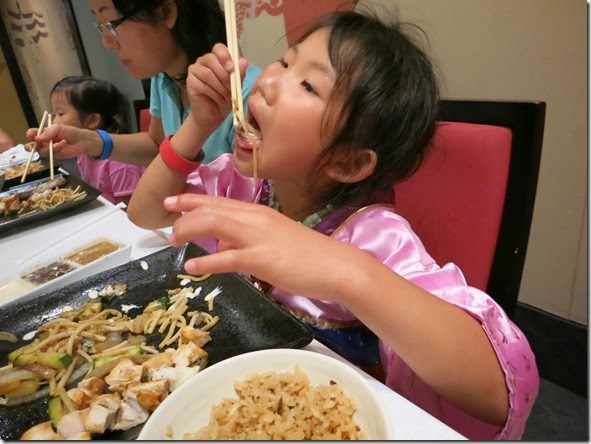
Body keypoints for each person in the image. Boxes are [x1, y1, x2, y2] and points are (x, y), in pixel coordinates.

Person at [128, 9, 537, 440]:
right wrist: (199, 123)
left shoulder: (375, 236)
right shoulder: (243, 183)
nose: (266, 81)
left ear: (347, 161)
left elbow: (500, 389)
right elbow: (147, 212)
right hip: (243, 399)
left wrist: (344, 271)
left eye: (308, 84)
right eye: (284, 61)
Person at [26, 0, 261, 168]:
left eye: (110, 23)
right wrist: (87, 140)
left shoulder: (245, 96)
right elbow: (156, 145)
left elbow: (258, 201)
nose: (106, 42)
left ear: (166, 12)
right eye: (100, 25)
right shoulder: (164, 77)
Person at [50, 75, 144, 205]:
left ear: (92, 120)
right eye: (54, 114)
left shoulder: (120, 163)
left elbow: (127, 209)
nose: (54, 122)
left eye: (60, 114)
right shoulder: (84, 152)